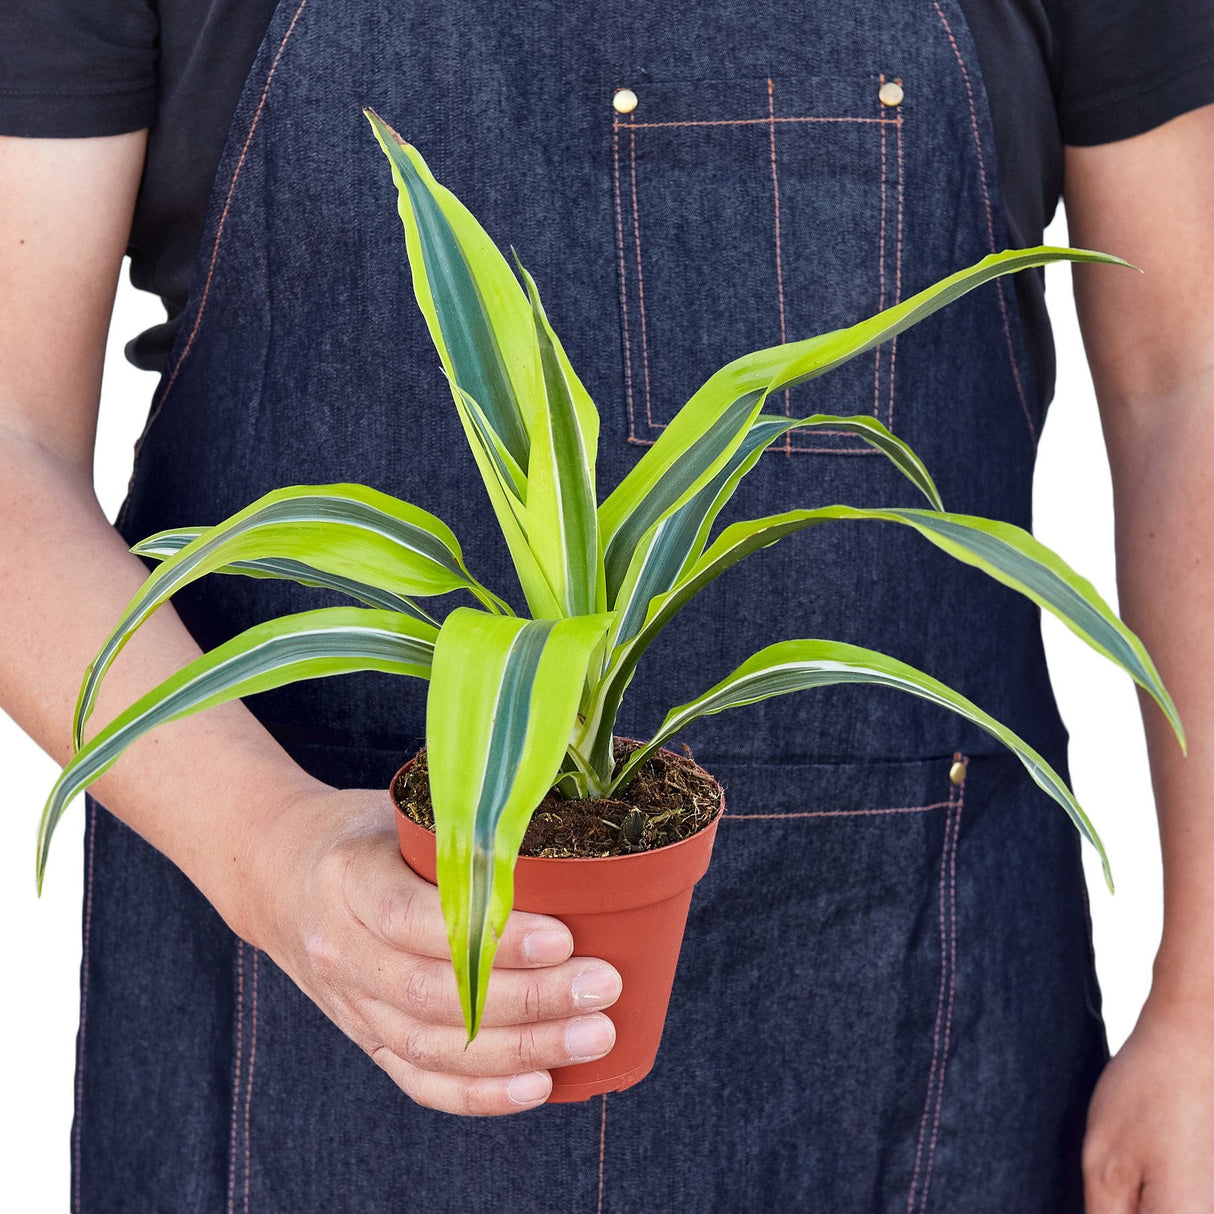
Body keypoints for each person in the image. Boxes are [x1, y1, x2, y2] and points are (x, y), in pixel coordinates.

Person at [2, 0, 1212, 1209]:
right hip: (301, 993)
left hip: (903, 1005)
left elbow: (1184, 381)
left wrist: (1205, 1006)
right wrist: (273, 849)